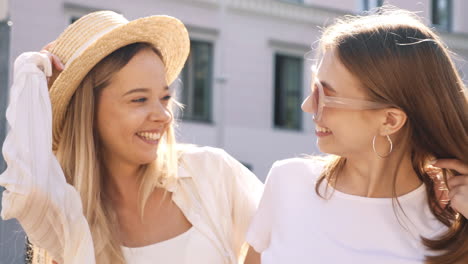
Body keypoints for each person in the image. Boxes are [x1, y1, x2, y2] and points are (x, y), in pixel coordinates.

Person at [0, 11, 262, 264]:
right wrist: (30, 79)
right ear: (88, 111)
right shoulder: (69, 222)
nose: (163, 116)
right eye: (139, 99)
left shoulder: (212, 174)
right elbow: (27, 188)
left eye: (165, 98)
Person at [244, 8, 468, 264]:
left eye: (324, 94)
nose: (307, 105)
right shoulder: (287, 181)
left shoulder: (454, 223)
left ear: (389, 120)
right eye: (312, 88)